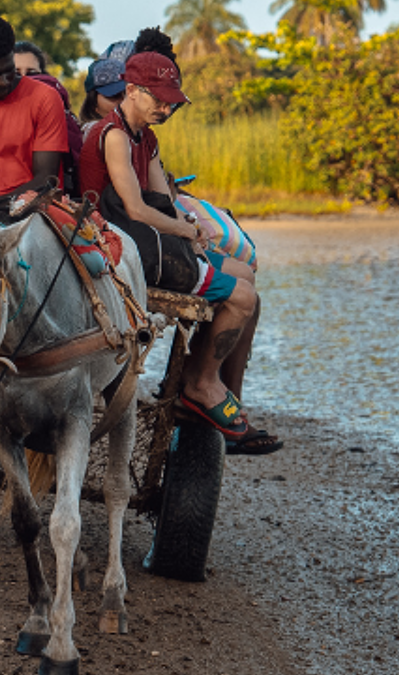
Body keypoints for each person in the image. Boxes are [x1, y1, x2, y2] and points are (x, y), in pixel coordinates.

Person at [77, 50, 267, 446]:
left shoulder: (145, 137)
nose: (165, 108)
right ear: (131, 91)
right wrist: (183, 231)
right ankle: (201, 384)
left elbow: (163, 199)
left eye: (171, 102)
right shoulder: (112, 136)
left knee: (245, 273)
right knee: (243, 297)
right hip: (119, 247)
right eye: (158, 100)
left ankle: (191, 379)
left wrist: (192, 230)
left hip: (144, 238)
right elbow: (136, 208)